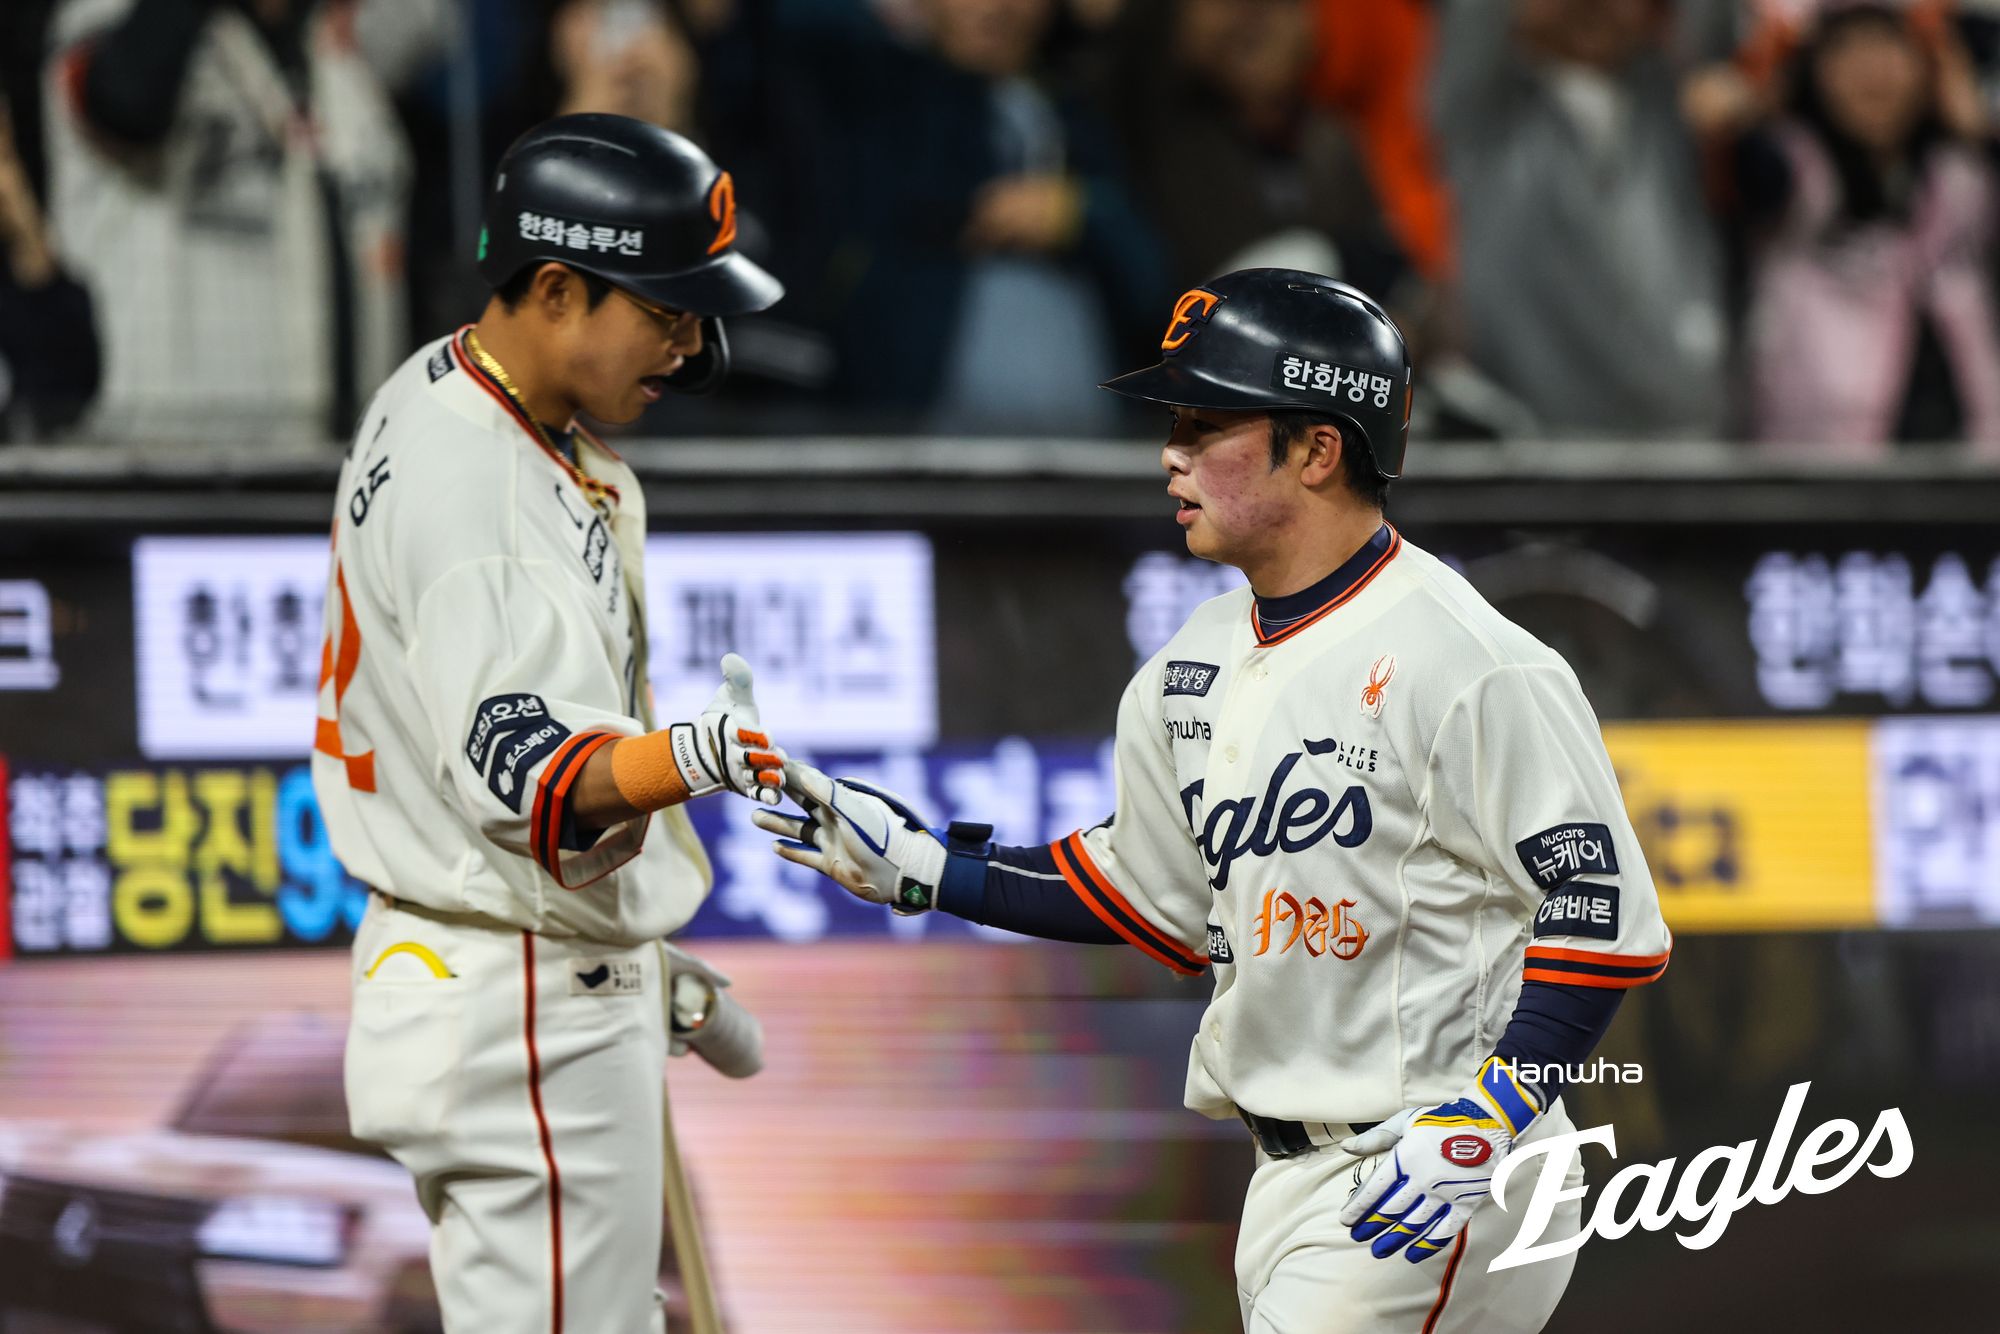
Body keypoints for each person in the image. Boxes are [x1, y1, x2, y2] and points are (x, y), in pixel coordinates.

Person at [757, 270, 1672, 1332]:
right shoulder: (1186, 668)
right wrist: (929, 868)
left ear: (1318, 448)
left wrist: (1492, 1111)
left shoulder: (1468, 660)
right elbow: (1143, 894)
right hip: (1283, 1173)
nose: (1170, 452)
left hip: (1433, 1160)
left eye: (1205, 421)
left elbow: (1600, 915)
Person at [312, 114, 785, 1333]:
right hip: (517, 990)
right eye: (666, 314)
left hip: (505, 965)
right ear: (559, 288)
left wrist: (636, 962)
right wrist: (703, 757)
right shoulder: (484, 492)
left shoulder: (458, 381)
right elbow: (533, 778)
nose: (689, 350)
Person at [44, 0, 409, 442]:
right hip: (158, 458)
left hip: (323, 453)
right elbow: (126, 103)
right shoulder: (106, 19)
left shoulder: (331, 40)